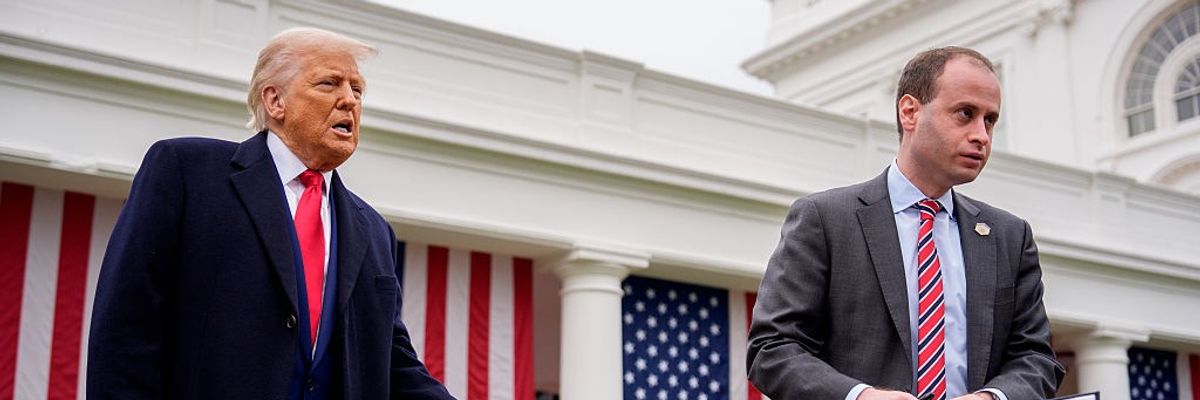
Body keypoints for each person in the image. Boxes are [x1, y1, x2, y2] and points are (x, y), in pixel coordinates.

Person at [87, 27, 453, 400]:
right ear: (275, 100)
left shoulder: (375, 231)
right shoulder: (187, 173)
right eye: (329, 84)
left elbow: (394, 363)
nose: (349, 101)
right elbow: (126, 329)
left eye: (357, 90)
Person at [747, 47, 1064, 400]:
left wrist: (994, 397)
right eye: (965, 114)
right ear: (910, 111)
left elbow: (1035, 357)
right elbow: (771, 349)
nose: (982, 135)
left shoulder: (1010, 236)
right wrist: (860, 396)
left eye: (990, 120)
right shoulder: (825, 219)